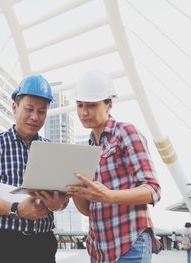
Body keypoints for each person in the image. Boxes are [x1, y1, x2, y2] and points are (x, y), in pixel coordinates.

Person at [0, 75, 69, 263]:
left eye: (42, 111)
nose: (34, 117)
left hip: (43, 245)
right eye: (29, 109)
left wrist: (59, 204)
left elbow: (62, 198)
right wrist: (16, 209)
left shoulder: (52, 150)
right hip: (3, 244)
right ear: (14, 107)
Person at [66, 70, 162, 263]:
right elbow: (88, 209)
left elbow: (153, 189)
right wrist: (74, 190)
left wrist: (109, 196)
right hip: (99, 250)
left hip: (130, 245)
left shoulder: (126, 133)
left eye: (91, 105)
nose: (84, 112)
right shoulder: (88, 148)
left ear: (109, 104)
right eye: (79, 105)